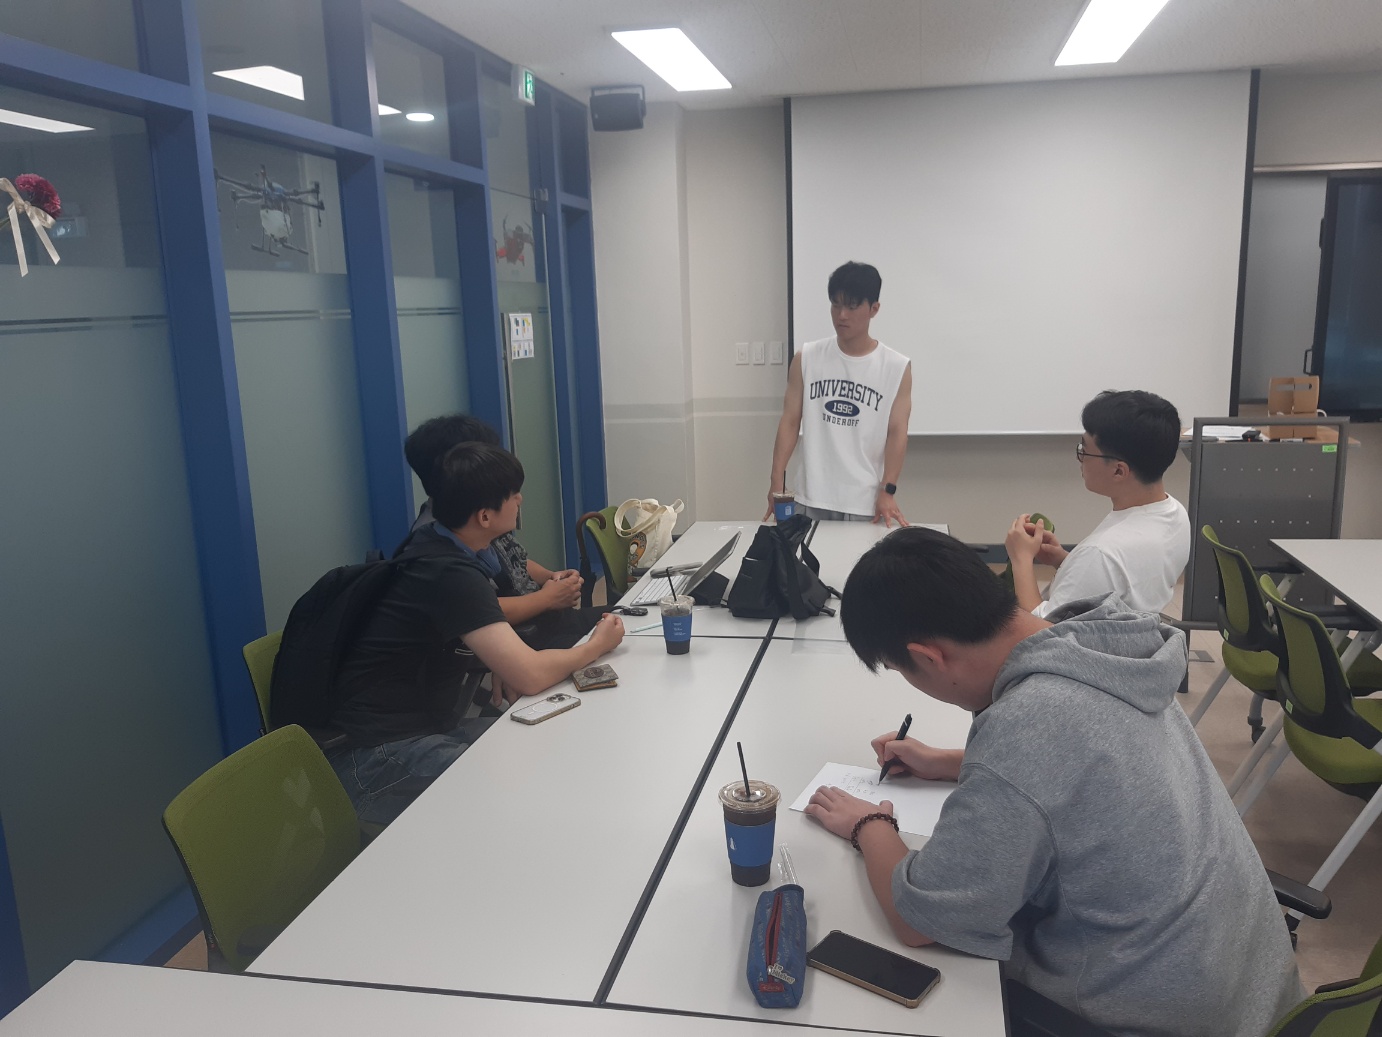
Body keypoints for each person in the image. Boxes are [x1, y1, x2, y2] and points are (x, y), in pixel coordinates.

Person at [806, 528, 1303, 1037]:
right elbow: (1091, 763)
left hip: (1157, 1015)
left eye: (902, 669)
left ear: (930, 657)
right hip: (1250, 986)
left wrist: (869, 824)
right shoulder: (1100, 644)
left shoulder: (1029, 726)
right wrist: (950, 762)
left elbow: (920, 921)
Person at [327, 442, 625, 824]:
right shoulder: (449, 574)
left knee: (549, 746)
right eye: (512, 494)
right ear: (485, 516)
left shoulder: (438, 546)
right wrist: (597, 645)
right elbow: (531, 675)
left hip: (420, 728)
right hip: (375, 759)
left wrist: (500, 659)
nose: (520, 499)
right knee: (530, 786)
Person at [403, 413, 604, 655]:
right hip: (526, 635)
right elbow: (477, 608)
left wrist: (552, 578)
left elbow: (513, 560)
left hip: (545, 619)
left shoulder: (478, 518)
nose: (519, 499)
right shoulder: (443, 545)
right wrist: (547, 599)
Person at [1005, 389, 1189, 618]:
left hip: (1072, 640)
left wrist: (1021, 559)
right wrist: (1065, 561)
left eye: (1085, 451)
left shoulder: (1101, 554)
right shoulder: (1175, 512)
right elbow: (1127, 580)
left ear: (1118, 471)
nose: (1080, 459)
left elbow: (1042, 632)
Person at [765, 261, 912, 526]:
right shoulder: (807, 358)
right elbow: (789, 421)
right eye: (835, 305)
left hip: (863, 501)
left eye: (852, 307)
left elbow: (897, 432)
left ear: (874, 309)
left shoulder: (896, 367)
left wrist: (888, 490)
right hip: (810, 497)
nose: (841, 315)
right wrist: (777, 480)